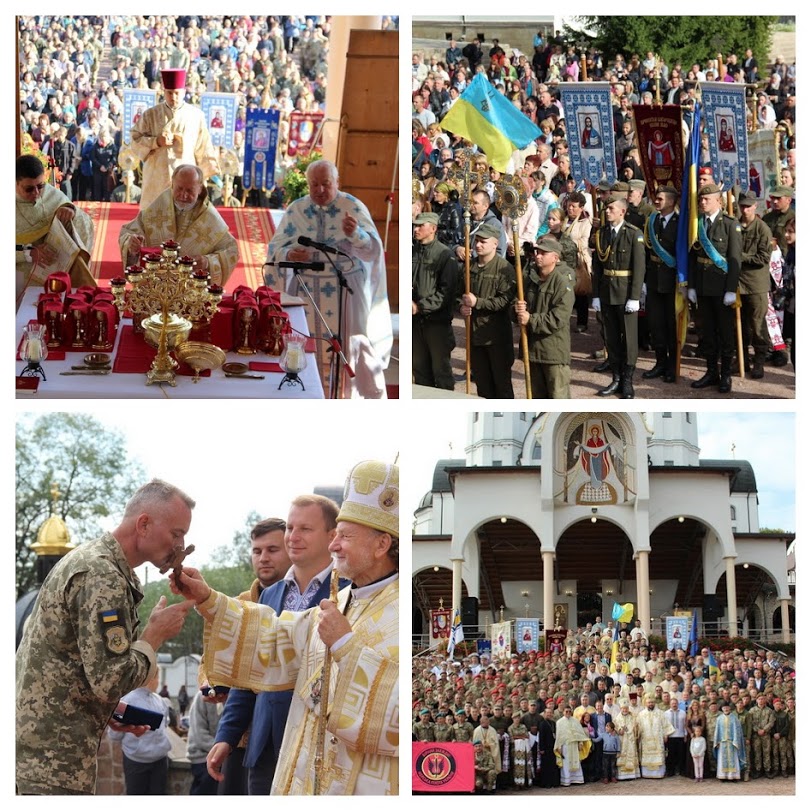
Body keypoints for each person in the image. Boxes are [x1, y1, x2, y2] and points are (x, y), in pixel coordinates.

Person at [171, 460, 399, 795]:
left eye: (345, 537)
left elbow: (395, 714)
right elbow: (274, 639)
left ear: (381, 545)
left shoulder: (401, 610)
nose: (335, 545)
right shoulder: (342, 599)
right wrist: (209, 599)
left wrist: (346, 646)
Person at [16, 479, 195, 794]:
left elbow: (71, 667)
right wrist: (155, 634)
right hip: (50, 765)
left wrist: (111, 711)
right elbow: (110, 680)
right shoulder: (103, 575)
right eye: (176, 534)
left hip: (39, 758)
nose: (179, 547)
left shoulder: (95, 561)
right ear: (143, 524)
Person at [206, 500, 341, 795]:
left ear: (332, 536)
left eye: (305, 528)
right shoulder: (269, 595)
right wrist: (226, 736)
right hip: (265, 745)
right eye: (291, 528)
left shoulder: (345, 591)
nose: (293, 536)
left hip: (317, 745)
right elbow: (250, 674)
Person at [266, 159, 392, 398]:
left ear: (337, 183)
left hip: (345, 292)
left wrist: (355, 234)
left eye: (326, 184)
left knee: (351, 347)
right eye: (314, 185)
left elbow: (373, 251)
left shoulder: (352, 207)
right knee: (303, 344)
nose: (320, 190)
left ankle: (345, 398)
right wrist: (289, 253)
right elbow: (275, 250)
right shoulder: (296, 209)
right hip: (305, 290)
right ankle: (303, 394)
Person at [209, 517, 291, 795]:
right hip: (244, 738)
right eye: (257, 551)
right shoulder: (241, 603)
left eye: (272, 549)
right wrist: (213, 683)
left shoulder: (325, 596)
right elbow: (225, 663)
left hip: (292, 735)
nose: (263, 558)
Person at [118, 164, 238, 285]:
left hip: (191, 292)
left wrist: (207, 262)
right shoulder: (158, 207)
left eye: (190, 190)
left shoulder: (210, 219)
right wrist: (131, 245)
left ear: (200, 188)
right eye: (179, 189)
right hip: (153, 288)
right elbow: (129, 232)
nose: (183, 195)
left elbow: (231, 250)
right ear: (172, 185)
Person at [130, 68, 220, 208]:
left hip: (187, 177)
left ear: (184, 92)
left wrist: (202, 178)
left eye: (177, 93)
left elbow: (204, 148)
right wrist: (156, 142)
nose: (173, 97)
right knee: (155, 221)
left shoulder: (196, 116)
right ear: (163, 92)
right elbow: (134, 139)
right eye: (169, 93)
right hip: (157, 178)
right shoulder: (150, 115)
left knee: (185, 221)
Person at [15, 153, 95, 307]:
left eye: (40, 186)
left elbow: (85, 222)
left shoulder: (50, 193)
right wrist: (29, 253)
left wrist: (71, 211)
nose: (37, 194)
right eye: (29, 189)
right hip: (20, 276)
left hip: (58, 273)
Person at [688, 183, 742, 393]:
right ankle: (711, 372)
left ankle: (726, 374)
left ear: (718, 201)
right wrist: (692, 285)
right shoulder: (697, 224)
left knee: (725, 333)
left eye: (707, 199)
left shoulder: (730, 224)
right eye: (701, 199)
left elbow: (735, 258)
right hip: (703, 287)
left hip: (721, 288)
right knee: (707, 333)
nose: (702, 202)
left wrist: (731, 289)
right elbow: (693, 258)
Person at [591, 194, 646, 398]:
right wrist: (595, 295)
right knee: (612, 338)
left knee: (629, 340)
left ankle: (628, 380)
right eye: (606, 208)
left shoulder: (634, 234)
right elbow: (597, 267)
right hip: (606, 292)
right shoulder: (602, 234)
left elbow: (639, 268)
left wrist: (634, 297)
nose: (607, 211)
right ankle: (615, 378)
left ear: (622, 211)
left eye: (612, 208)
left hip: (625, 293)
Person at [460, 222, 517, 398]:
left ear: (495, 243)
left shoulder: (504, 268)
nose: (478, 245)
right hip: (475, 336)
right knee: (483, 387)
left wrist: (478, 303)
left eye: (483, 241)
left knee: (502, 387)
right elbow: (459, 293)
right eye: (476, 241)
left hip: (496, 337)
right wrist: (461, 306)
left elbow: (504, 301)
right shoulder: (470, 267)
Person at [513, 237, 575, 398]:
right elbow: (517, 307)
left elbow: (558, 318)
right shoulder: (531, 280)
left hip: (553, 353)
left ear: (555, 258)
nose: (538, 256)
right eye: (537, 252)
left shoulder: (561, 284)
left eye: (543, 253)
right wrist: (517, 310)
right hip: (533, 351)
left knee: (558, 400)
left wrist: (530, 319)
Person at [412, 211, 458, 391]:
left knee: (441, 372)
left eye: (420, 226)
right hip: (415, 323)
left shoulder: (445, 255)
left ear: (433, 228)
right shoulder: (413, 251)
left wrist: (420, 307)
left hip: (436, 323)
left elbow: (446, 293)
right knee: (420, 371)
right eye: (415, 225)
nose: (416, 229)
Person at [108, 671, 172, 795]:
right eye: (158, 677)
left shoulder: (158, 700)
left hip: (157, 761)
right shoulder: (128, 701)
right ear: (151, 678)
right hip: (138, 762)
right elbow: (114, 734)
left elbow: (114, 735)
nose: (158, 682)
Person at [642, 185, 680, 383]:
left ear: (672, 202)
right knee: (656, 324)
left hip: (672, 280)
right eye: (656, 198)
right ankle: (660, 362)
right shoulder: (653, 220)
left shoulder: (680, 222)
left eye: (661, 198)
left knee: (671, 325)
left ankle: (672, 365)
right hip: (654, 278)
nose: (656, 201)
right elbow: (647, 251)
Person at [737, 191, 773, 379]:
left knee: (758, 325)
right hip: (737, 284)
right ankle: (742, 360)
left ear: (755, 206)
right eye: (742, 206)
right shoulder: (735, 225)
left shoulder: (762, 229)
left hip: (755, 285)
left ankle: (759, 361)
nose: (745, 209)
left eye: (748, 206)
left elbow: (763, 258)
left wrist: (739, 257)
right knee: (740, 326)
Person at [187, 688, 223, 794]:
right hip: (202, 756)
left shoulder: (231, 697)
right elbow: (199, 734)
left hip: (221, 756)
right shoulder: (202, 697)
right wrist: (220, 750)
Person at [637, 696, 675, 778]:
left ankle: (659, 774)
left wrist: (666, 734)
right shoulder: (641, 714)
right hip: (646, 739)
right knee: (646, 755)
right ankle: (646, 774)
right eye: (649, 702)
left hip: (658, 738)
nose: (650, 704)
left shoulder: (660, 713)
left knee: (658, 755)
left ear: (654, 703)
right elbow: (638, 726)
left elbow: (665, 725)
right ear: (646, 703)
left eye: (652, 702)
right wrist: (638, 734)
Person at [554, 705, 590, 786]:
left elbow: (580, 733)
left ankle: (577, 779)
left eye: (570, 711)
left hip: (574, 746)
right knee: (566, 763)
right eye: (566, 711)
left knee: (576, 761)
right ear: (563, 712)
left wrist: (580, 743)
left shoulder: (575, 721)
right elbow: (558, 736)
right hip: (565, 746)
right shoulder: (559, 722)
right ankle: (567, 780)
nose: (568, 713)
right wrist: (559, 746)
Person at [714, 702, 745, 781]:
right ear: (722, 709)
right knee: (722, 760)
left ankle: (733, 776)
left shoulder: (734, 718)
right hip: (722, 742)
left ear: (730, 708)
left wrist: (735, 740)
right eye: (724, 708)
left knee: (733, 759)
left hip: (732, 742)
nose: (726, 709)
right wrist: (717, 741)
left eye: (727, 707)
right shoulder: (719, 718)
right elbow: (717, 731)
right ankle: (723, 776)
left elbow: (738, 730)